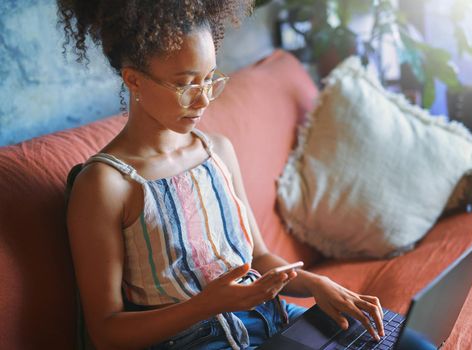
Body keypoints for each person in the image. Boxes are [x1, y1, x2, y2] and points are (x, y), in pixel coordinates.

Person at [59, 1, 385, 349]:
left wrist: (316, 285)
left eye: (209, 79)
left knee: (403, 340)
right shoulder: (105, 185)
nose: (203, 101)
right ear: (133, 79)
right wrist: (206, 305)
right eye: (185, 85)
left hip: (273, 319)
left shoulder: (217, 150)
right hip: (195, 342)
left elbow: (257, 258)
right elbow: (106, 332)